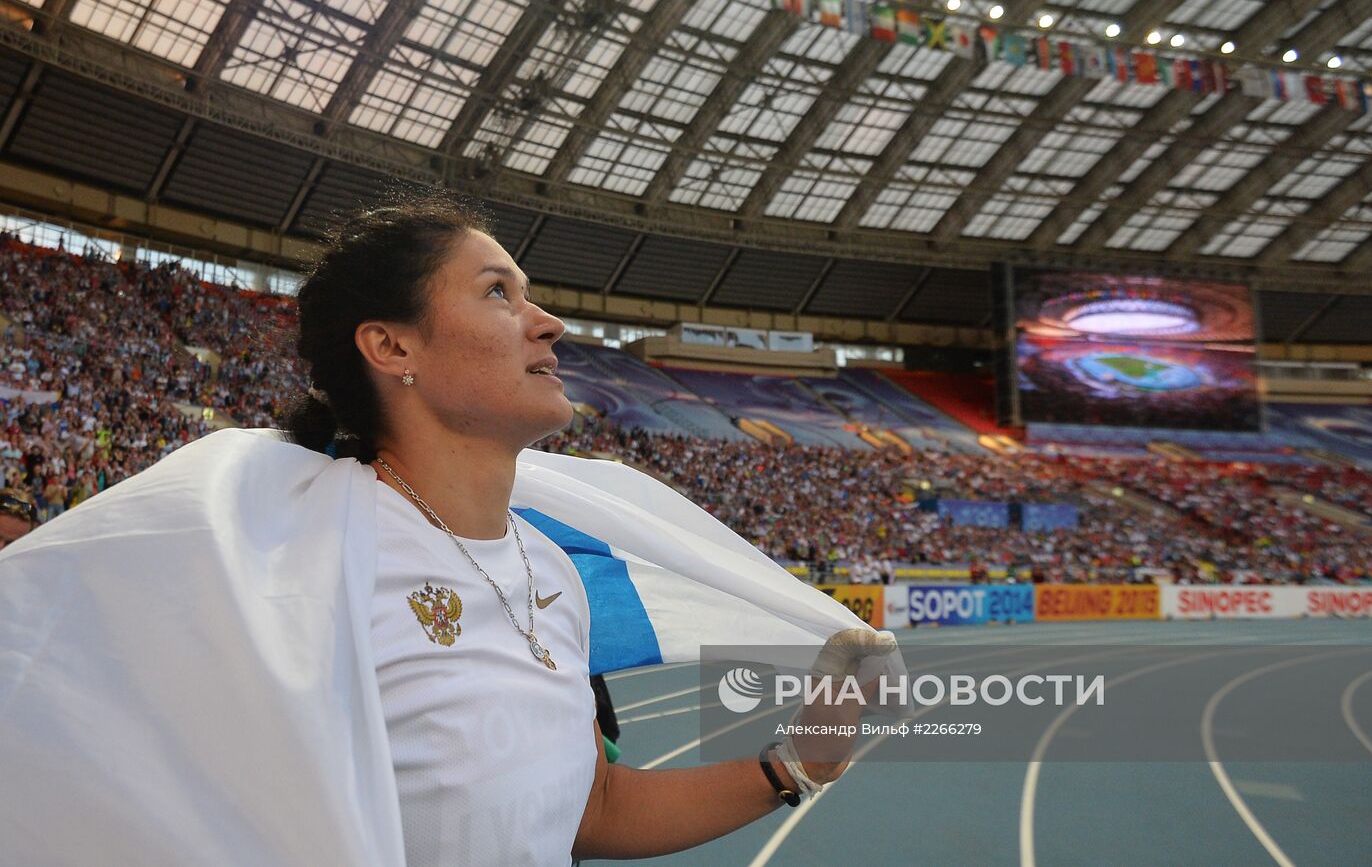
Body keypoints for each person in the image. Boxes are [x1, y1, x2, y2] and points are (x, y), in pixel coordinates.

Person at [0, 194, 897, 867]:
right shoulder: (291, 561)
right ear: (392, 348)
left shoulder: (552, 568)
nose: (548, 322)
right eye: (500, 292)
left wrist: (799, 761)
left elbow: (594, 811)